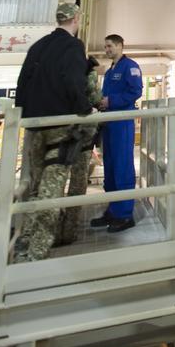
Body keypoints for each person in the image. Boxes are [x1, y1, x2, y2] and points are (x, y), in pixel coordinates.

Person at [13, 3, 94, 261]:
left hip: (35, 126)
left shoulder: (38, 46)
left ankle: (23, 240)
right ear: (76, 19)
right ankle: (36, 253)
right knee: (52, 188)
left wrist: (24, 116)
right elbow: (73, 80)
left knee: (36, 186)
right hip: (60, 127)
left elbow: (22, 83)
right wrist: (84, 109)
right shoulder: (72, 46)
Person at [89, 35, 143, 234]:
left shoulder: (130, 66)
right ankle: (113, 209)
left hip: (121, 123)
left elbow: (136, 91)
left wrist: (110, 101)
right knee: (110, 169)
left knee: (122, 167)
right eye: (105, 46)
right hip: (109, 123)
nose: (107, 49)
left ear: (120, 46)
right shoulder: (111, 69)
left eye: (110, 46)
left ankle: (124, 214)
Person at [56, 55, 104, 247]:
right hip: (82, 130)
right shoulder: (87, 72)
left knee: (56, 178)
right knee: (78, 178)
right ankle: (70, 229)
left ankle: (53, 226)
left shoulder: (58, 69)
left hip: (58, 130)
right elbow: (94, 97)